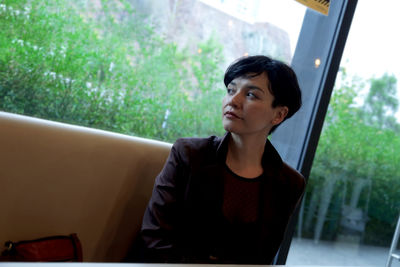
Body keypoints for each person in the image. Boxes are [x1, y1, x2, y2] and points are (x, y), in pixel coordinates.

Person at [139, 55, 305, 264]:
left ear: (279, 115)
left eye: (251, 95)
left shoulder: (289, 183)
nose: (233, 101)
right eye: (231, 90)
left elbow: (262, 258)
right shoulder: (189, 155)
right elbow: (154, 240)